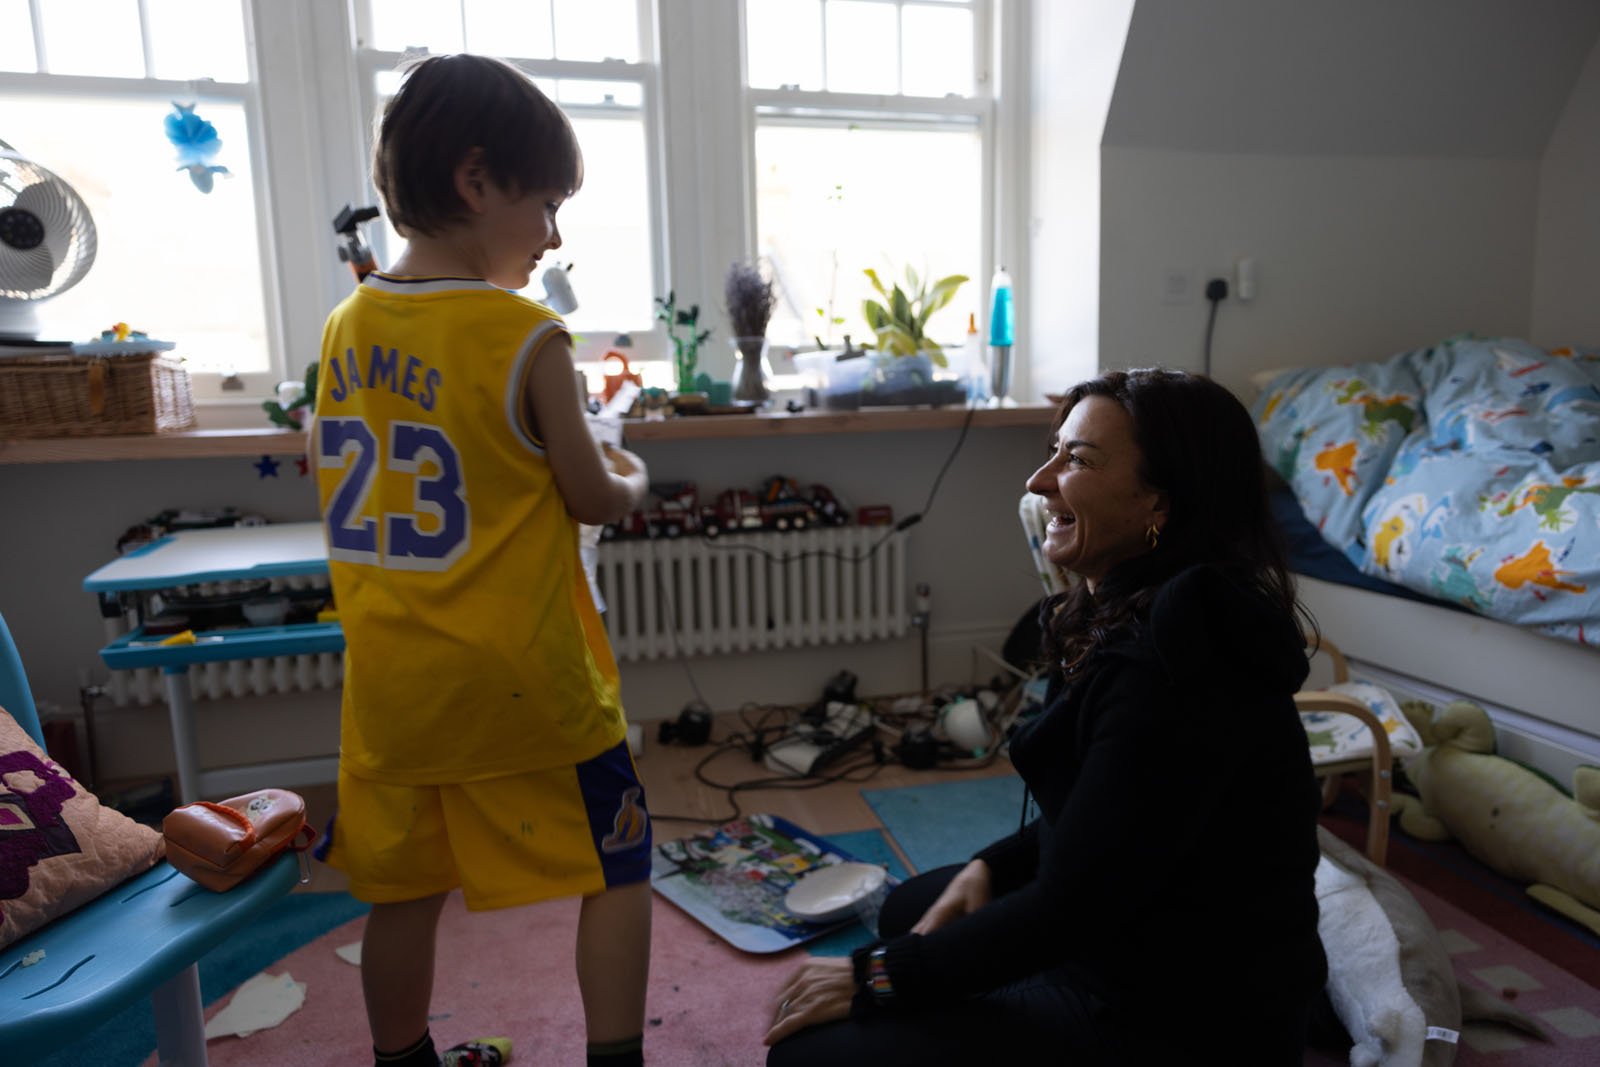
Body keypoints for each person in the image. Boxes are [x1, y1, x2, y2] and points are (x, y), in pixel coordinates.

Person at [764, 368, 1328, 1064]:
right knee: (913, 907)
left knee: (809, 1055)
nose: (1039, 480)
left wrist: (877, 977)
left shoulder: (1179, 663)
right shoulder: (1122, 608)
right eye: (1054, 451)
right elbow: (1108, 827)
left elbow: (1075, 903)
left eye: (1079, 460)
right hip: (1131, 935)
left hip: (1178, 1019)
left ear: (1160, 500)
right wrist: (991, 868)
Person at [311, 54, 653, 1067]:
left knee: (403, 892)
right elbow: (591, 493)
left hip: (395, 689)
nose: (552, 234)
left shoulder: (344, 325)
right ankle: (617, 1058)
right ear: (475, 181)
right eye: (546, 204)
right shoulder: (524, 333)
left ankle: (401, 1056)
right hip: (526, 686)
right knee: (618, 866)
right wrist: (632, 472)